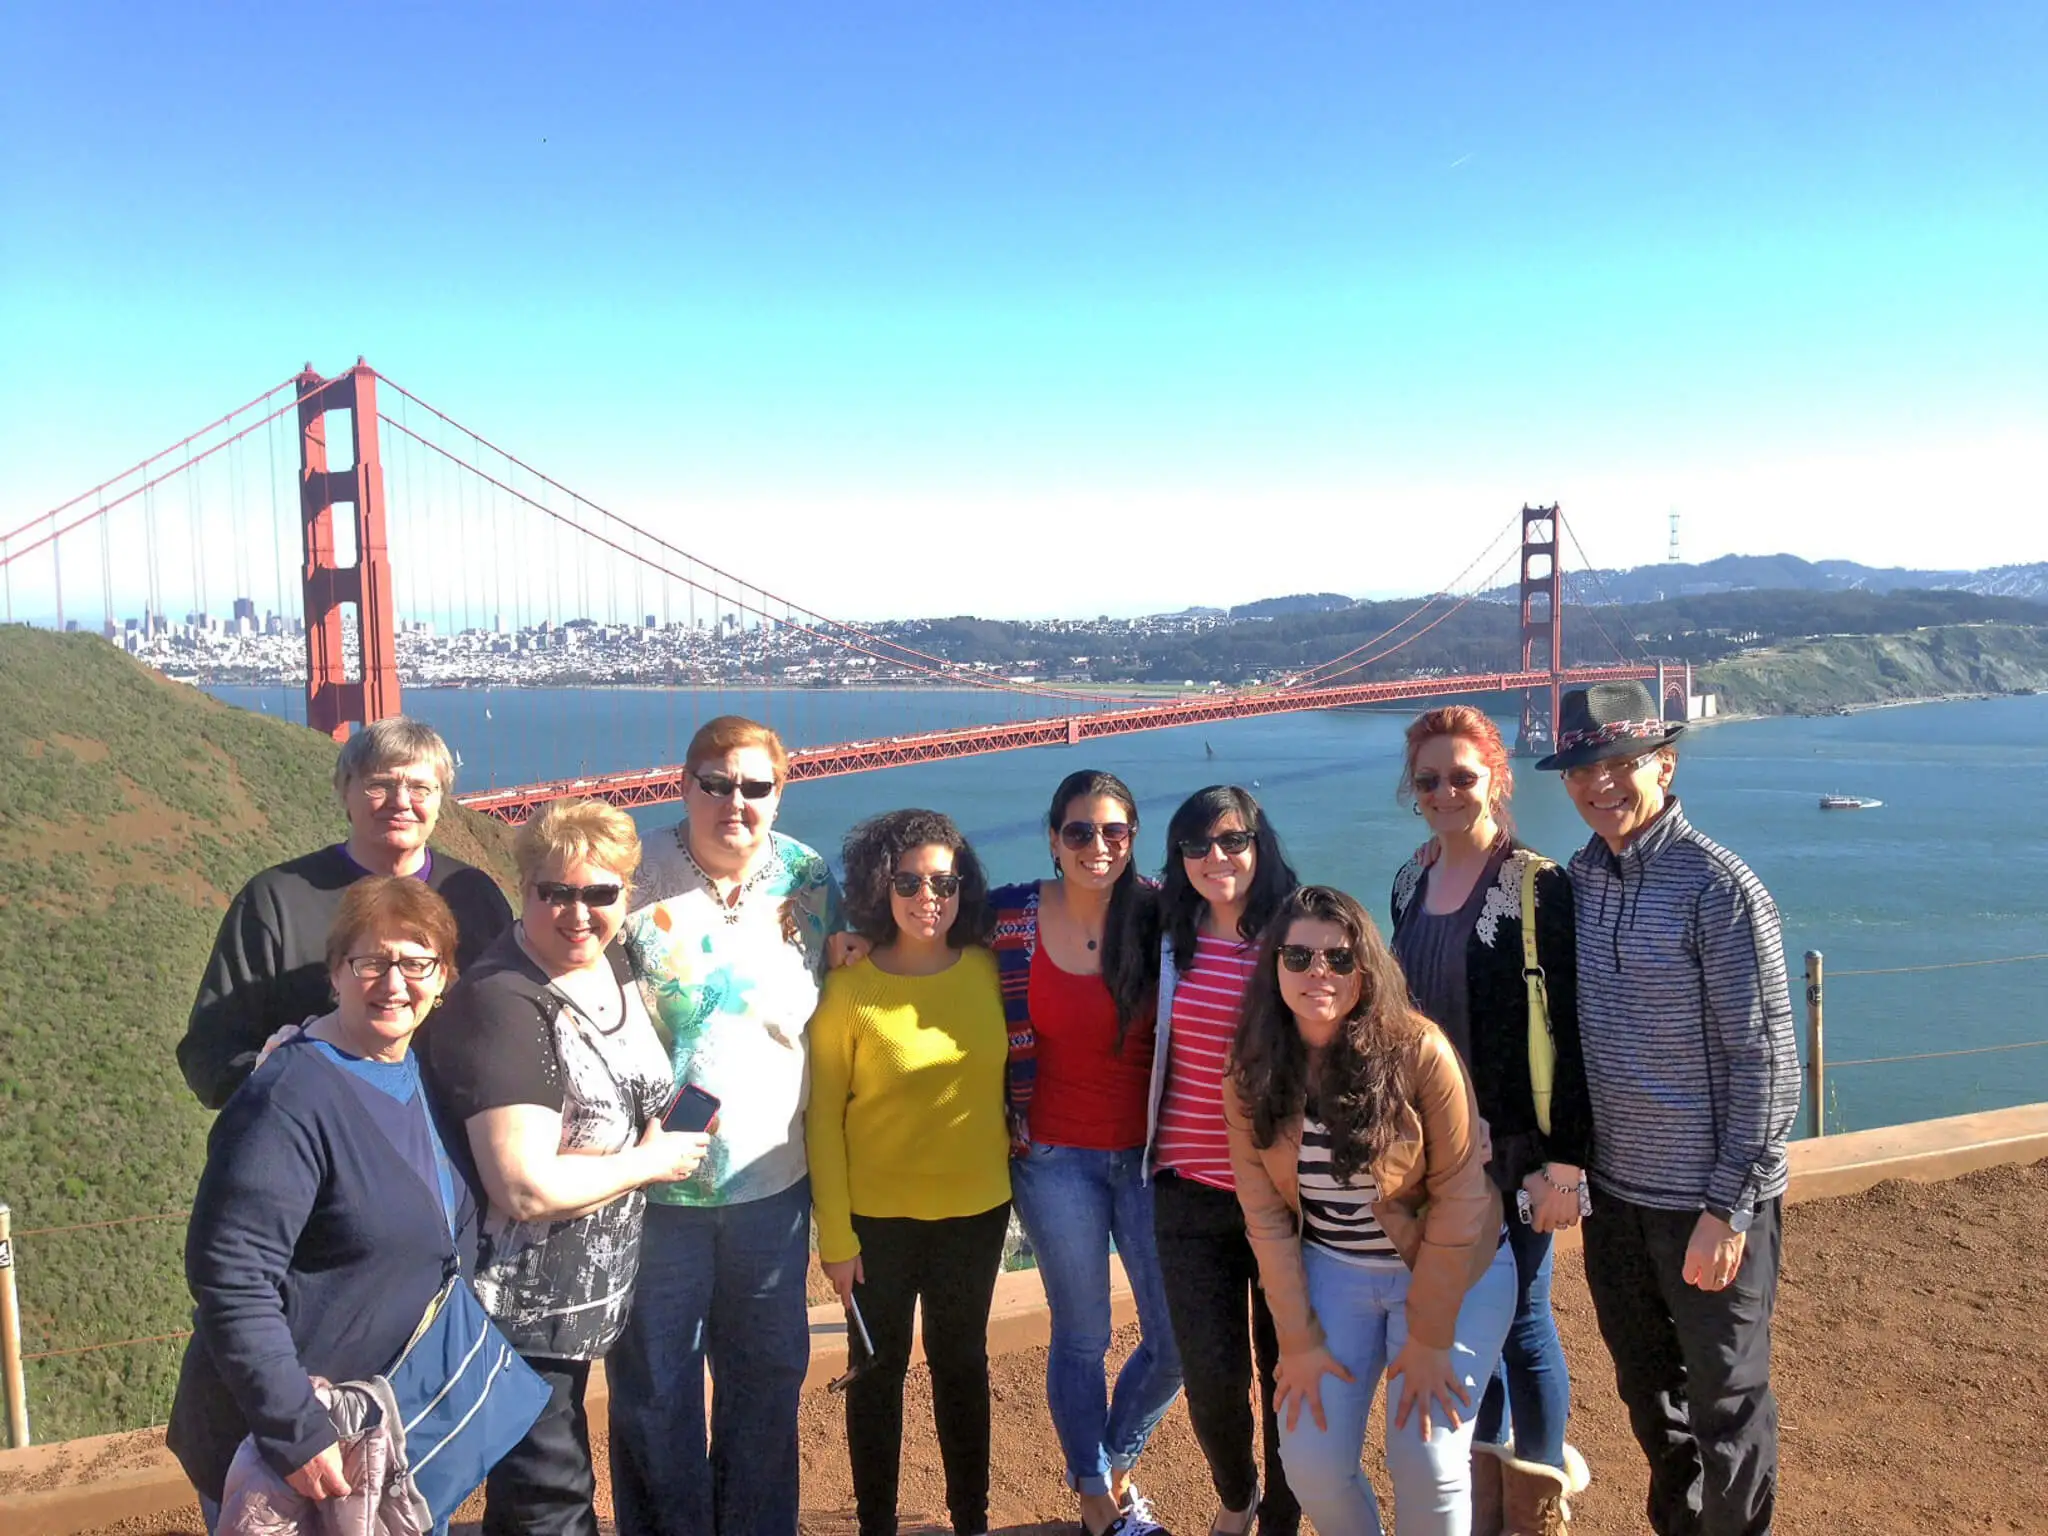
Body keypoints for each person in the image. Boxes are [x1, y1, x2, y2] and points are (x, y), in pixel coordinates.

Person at [1536, 682, 1799, 1536]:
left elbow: (1766, 1063)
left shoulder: (1719, 887)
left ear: (1666, 764)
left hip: (1706, 1202)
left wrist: (1729, 1207)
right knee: (1651, 1398)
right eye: (1581, 768)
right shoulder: (1579, 877)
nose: (1598, 784)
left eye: (1619, 764)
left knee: (1727, 1404)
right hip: (1619, 1200)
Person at [420, 798, 707, 1536]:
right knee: (551, 1504)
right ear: (525, 890)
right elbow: (523, 1186)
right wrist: (649, 1162)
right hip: (520, 1309)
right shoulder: (506, 1002)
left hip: (585, 1301)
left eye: (601, 893)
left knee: (543, 1495)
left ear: (626, 895)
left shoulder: (606, 963)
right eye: (557, 892)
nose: (579, 912)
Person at [168, 878, 475, 1528]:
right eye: (371, 961)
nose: (394, 982)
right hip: (291, 1447)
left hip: (390, 1435)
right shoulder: (287, 1095)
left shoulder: (418, 1075)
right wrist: (296, 1431)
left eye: (417, 963)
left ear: (443, 979)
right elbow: (231, 1279)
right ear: (336, 972)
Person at [610, 715, 842, 1536]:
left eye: (755, 786)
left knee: (767, 1381)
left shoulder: (810, 877)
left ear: (780, 793)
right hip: (651, 1190)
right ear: (684, 786)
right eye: (716, 784)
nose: (734, 802)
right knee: (655, 1392)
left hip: (772, 1185)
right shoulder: (630, 877)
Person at [1227, 885, 1516, 1536]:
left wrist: (1430, 1335)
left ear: (1368, 966)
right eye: (1297, 958)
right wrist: (1296, 1344)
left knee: (1428, 1459)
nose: (1317, 973)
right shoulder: (1249, 1074)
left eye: (1339, 957)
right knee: (1311, 1464)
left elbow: (1460, 1201)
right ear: (1273, 967)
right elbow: (1267, 1220)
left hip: (1455, 1272)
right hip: (1336, 1271)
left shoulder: (1419, 1051)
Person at [1389, 707, 1594, 1535]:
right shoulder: (1409, 877)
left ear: (1496, 781)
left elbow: (1570, 1028)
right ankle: (1484, 1494)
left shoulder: (1536, 884)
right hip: (1435, 1152)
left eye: (1462, 777)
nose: (1444, 792)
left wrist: (1565, 1163)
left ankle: (1539, 1508)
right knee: (1479, 1309)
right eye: (1429, 779)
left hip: (1516, 1150)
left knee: (1525, 1322)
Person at [808, 809, 1011, 1536]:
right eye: (911, 880)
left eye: (946, 881)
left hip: (978, 1213)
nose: (931, 896)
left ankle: (971, 1522)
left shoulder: (990, 969)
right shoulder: (849, 987)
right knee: (876, 1377)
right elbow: (823, 1119)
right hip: (876, 1224)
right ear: (880, 884)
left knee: (964, 1369)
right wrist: (836, 1236)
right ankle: (876, 1526)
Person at [995, 768, 1181, 1536]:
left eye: (1114, 832)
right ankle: (1098, 1503)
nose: (1096, 847)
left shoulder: (1165, 914)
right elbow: (916, 925)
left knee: (1175, 1342)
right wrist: (847, 938)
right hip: (1051, 1155)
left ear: (1133, 839)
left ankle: (1105, 1462)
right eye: (1079, 831)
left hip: (1146, 1156)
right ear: (1053, 838)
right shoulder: (1010, 914)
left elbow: (1255, 943)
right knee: (1082, 1336)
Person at [180, 716, 514, 1108]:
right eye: (380, 785)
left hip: (458, 1147)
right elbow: (209, 1049)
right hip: (321, 1141)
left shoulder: (475, 896)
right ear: (344, 792)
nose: (401, 802)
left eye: (421, 788)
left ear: (442, 801)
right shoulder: (275, 901)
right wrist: (272, 1078)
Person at [1145, 786, 1302, 1536]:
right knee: (1211, 1378)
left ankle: (1282, 1512)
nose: (1217, 858)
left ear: (1259, 843)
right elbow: (1054, 911)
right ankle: (1237, 1495)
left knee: (1288, 1370)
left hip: (1282, 1196)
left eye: (1233, 840)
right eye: (1197, 846)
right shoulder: (1167, 932)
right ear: (1178, 859)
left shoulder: (1297, 934)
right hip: (1186, 1192)